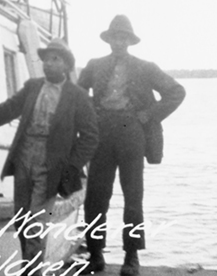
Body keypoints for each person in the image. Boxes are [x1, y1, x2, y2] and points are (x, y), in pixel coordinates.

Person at [77, 15, 186, 276]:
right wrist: (91, 112)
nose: (119, 41)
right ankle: (95, 255)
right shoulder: (94, 65)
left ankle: (131, 257)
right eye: (115, 37)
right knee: (95, 196)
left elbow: (177, 91)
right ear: (109, 39)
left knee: (133, 196)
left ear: (130, 41)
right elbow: (77, 96)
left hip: (131, 133)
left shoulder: (145, 67)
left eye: (123, 37)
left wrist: (148, 115)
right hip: (101, 133)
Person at [0, 39, 99, 273]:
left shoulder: (78, 95)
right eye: (46, 58)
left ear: (66, 64)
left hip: (51, 164)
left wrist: (71, 165)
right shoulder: (32, 86)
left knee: (36, 220)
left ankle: (32, 271)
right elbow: (7, 110)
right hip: (23, 157)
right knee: (21, 219)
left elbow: (91, 136)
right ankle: (30, 265)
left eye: (55, 59)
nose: (48, 63)